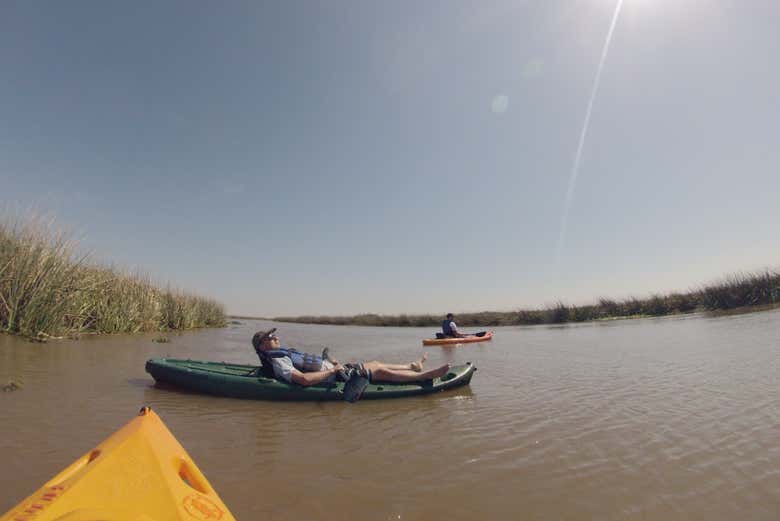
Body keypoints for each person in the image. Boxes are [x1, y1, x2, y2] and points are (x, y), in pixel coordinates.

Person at [251, 329, 450, 387]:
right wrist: (333, 369)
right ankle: (422, 377)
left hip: (336, 369)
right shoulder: (279, 361)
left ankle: (411, 366)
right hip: (335, 377)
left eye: (274, 335)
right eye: (270, 337)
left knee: (375, 363)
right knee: (379, 371)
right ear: (262, 346)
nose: (275, 337)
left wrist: (331, 363)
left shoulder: (281, 353)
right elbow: (303, 380)